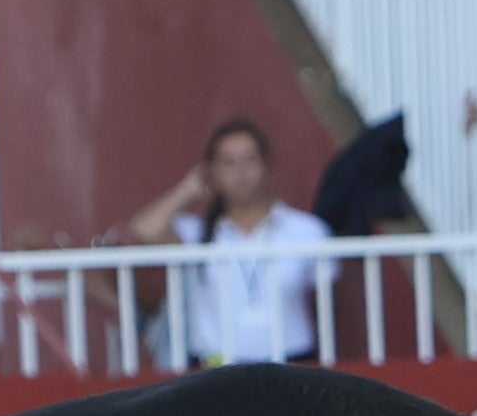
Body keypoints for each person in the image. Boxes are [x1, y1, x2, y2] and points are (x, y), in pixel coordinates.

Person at [128, 120, 336, 366]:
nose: (241, 171)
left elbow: (325, 294)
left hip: (292, 364)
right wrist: (188, 189)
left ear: (267, 165)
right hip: (215, 369)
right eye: (228, 162)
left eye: (250, 159)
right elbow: (142, 230)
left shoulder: (307, 230)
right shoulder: (196, 232)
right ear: (211, 171)